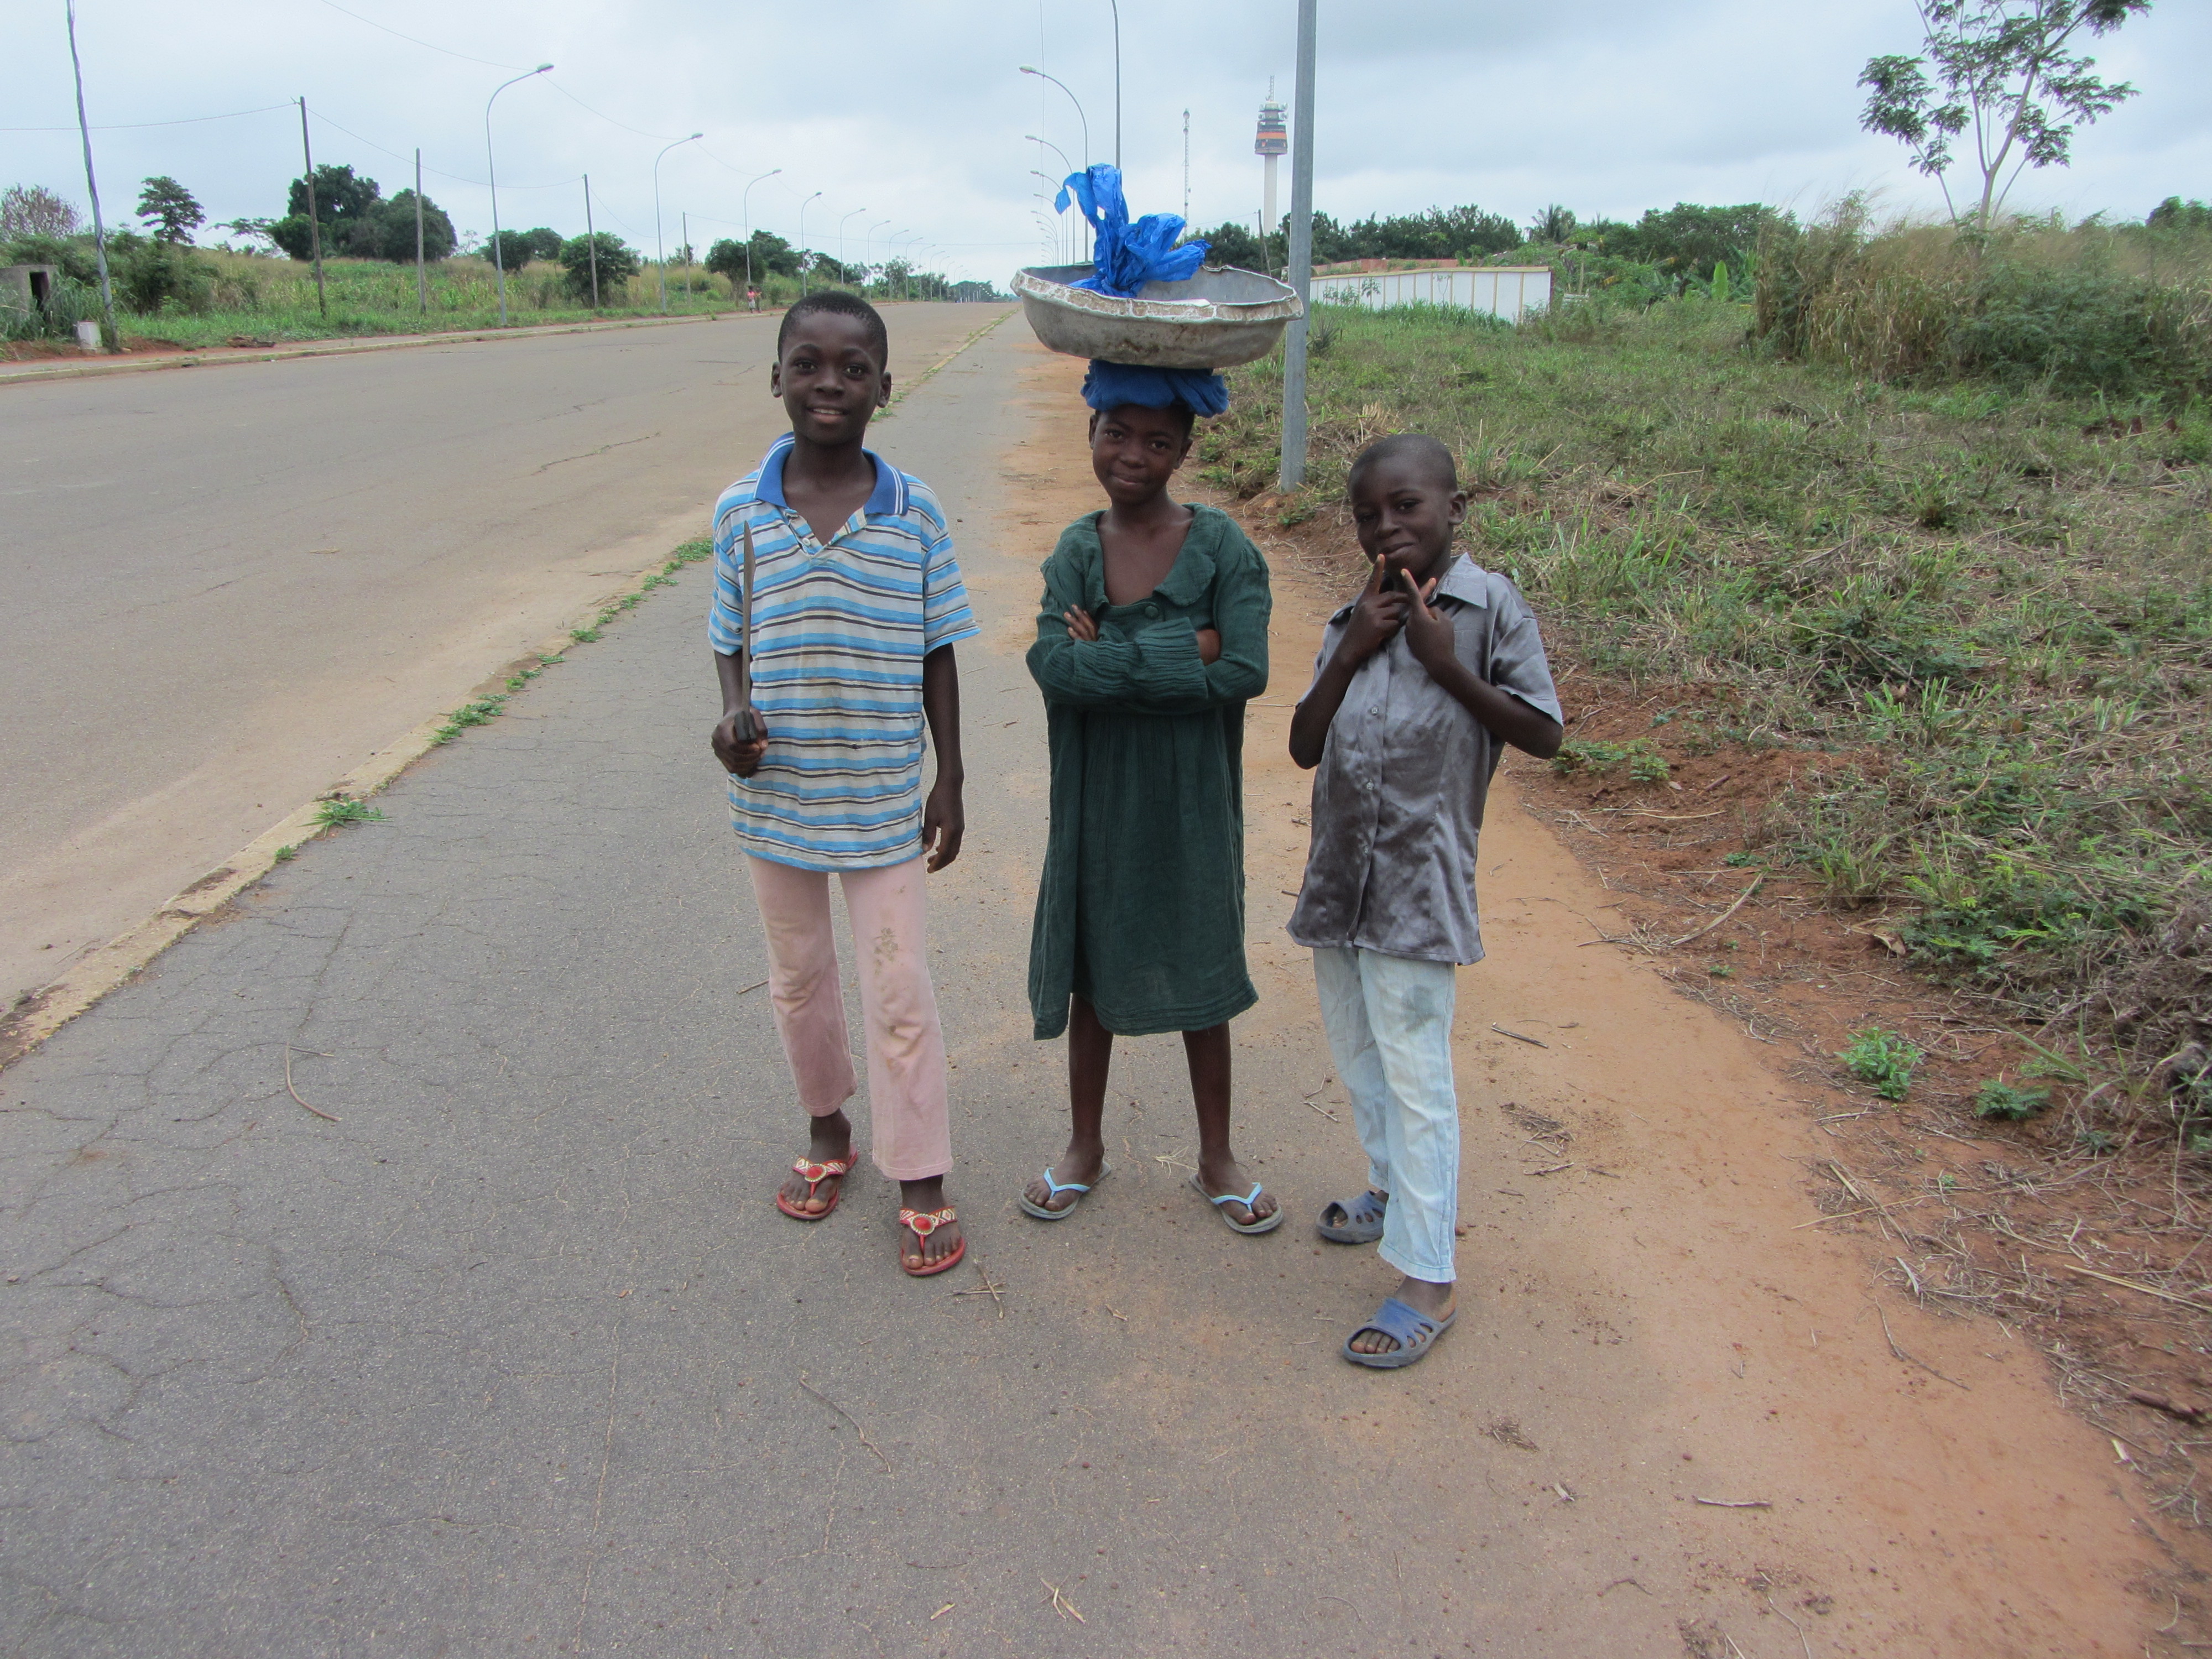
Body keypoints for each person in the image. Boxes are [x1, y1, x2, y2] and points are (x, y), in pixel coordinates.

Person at [708, 291, 977, 1278]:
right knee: (799, 982)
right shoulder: (741, 511)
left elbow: (941, 647)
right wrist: (731, 717)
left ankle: (921, 1176)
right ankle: (828, 1131)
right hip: (775, 798)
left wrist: (950, 774)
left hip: (879, 799)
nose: (830, 383)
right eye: (809, 364)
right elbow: (729, 643)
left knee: (899, 988)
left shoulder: (915, 514)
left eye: (853, 368)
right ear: (776, 377)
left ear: (884, 387)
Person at [1286, 432, 1565, 1368]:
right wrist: (1353, 649)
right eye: (1368, 513)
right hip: (1339, 879)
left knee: (1418, 1078)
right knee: (1359, 1050)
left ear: (1455, 508)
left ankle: (1429, 1278)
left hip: (1417, 884)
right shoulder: (1351, 615)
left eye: (1407, 506)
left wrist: (1449, 666)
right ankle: (1388, 1190)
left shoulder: (1491, 611)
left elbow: (1544, 734)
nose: (1387, 526)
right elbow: (1303, 743)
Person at [1019, 363, 1280, 1235]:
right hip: (1095, 798)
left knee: (1201, 963)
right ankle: (1084, 1146)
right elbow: (1053, 668)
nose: (1134, 455)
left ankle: (1218, 1156)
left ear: (1186, 449)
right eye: (1117, 434)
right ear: (1089, 434)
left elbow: (1245, 669)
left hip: (1191, 800)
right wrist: (1183, 647)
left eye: (1158, 441)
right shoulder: (1075, 551)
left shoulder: (1226, 549)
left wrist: (1115, 655)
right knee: (1093, 971)